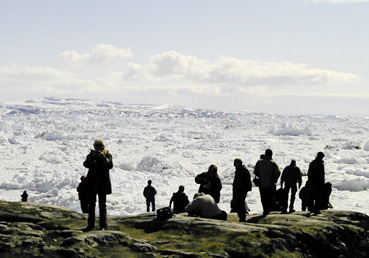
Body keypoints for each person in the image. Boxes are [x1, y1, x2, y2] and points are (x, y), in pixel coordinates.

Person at [83, 139, 113, 231]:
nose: (99, 148)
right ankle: (91, 225)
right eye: (97, 146)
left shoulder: (107, 155)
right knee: (92, 205)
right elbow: (86, 164)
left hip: (102, 183)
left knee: (102, 205)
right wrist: (92, 158)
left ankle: (103, 225)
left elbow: (109, 165)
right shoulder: (92, 155)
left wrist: (102, 158)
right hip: (93, 183)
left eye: (100, 146)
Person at [254, 149, 280, 216]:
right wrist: (274, 179)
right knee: (270, 198)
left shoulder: (259, 162)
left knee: (263, 198)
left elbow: (256, 172)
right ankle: (269, 210)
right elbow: (277, 173)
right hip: (271, 184)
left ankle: (265, 210)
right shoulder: (273, 163)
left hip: (262, 184)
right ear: (271, 154)